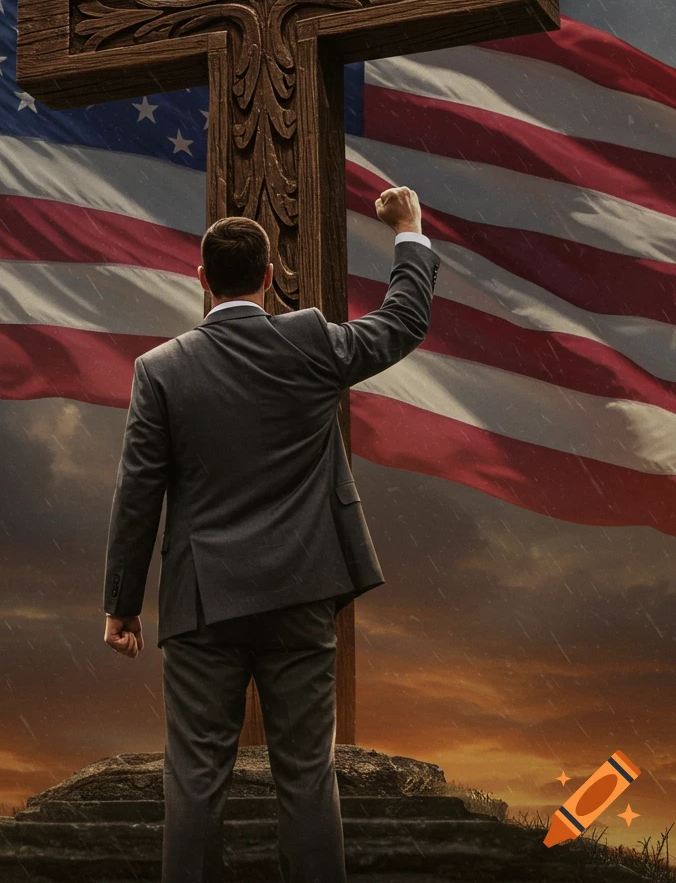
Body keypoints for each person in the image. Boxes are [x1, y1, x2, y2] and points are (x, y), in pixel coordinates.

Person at [102, 186, 440, 883]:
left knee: (194, 781)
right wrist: (407, 229)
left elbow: (139, 494)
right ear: (268, 276)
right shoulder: (311, 344)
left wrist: (122, 603)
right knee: (307, 776)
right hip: (301, 592)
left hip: (202, 606)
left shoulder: (160, 372)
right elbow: (403, 321)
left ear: (201, 279)